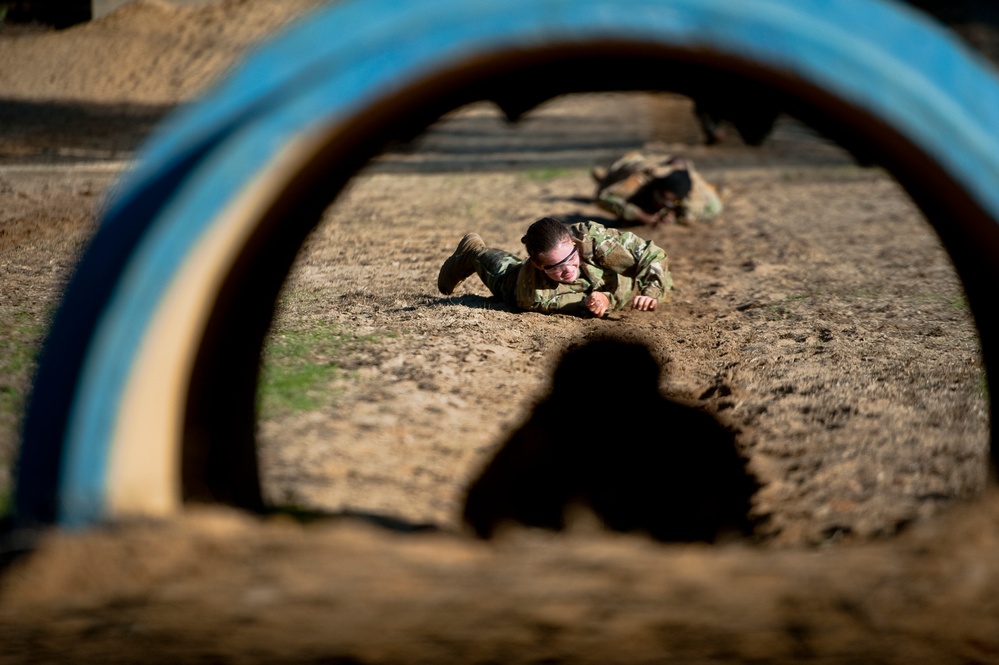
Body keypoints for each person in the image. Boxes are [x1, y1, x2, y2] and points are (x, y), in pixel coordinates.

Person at [437, 216, 671, 317]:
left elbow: (653, 254)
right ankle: (472, 251)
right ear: (539, 265)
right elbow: (580, 304)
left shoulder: (593, 240)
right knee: (505, 276)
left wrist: (651, 291)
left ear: (572, 243)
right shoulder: (532, 294)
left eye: (570, 258)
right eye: (556, 266)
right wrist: (600, 302)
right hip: (523, 281)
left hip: (609, 277)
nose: (568, 269)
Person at [590, 150, 723, 227]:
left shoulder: (692, 192)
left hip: (688, 180)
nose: (662, 205)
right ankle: (606, 176)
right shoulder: (644, 177)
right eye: (661, 200)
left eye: (673, 202)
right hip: (636, 170)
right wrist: (638, 214)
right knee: (613, 180)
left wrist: (675, 217)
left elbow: (713, 209)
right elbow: (603, 198)